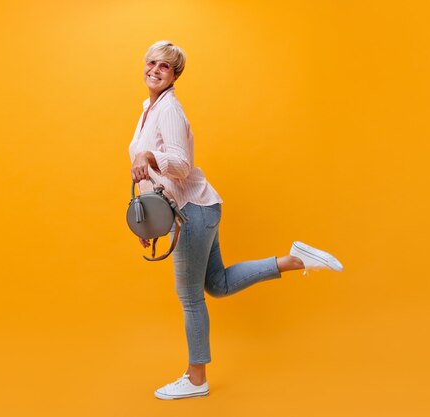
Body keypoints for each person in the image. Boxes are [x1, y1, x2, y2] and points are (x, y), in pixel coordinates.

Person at [128, 40, 344, 401]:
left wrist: (150, 155)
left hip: (193, 211)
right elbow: (152, 175)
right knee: (218, 284)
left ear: (174, 75)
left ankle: (196, 380)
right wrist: (149, 222)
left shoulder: (169, 110)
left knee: (191, 298)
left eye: (164, 66)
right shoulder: (147, 109)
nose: (155, 69)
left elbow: (180, 165)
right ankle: (295, 259)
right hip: (193, 209)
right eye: (151, 62)